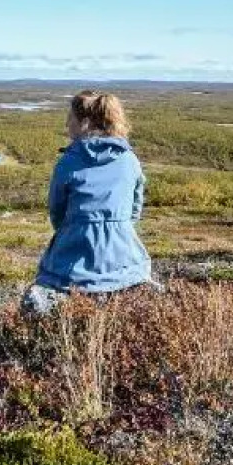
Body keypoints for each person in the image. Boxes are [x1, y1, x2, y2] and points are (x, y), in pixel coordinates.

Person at [23, 91, 153, 314]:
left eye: (70, 118)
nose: (67, 123)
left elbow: (57, 212)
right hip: (126, 255)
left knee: (48, 290)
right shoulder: (129, 159)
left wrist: (73, 234)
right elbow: (134, 208)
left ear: (85, 122)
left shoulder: (69, 161)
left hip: (73, 256)